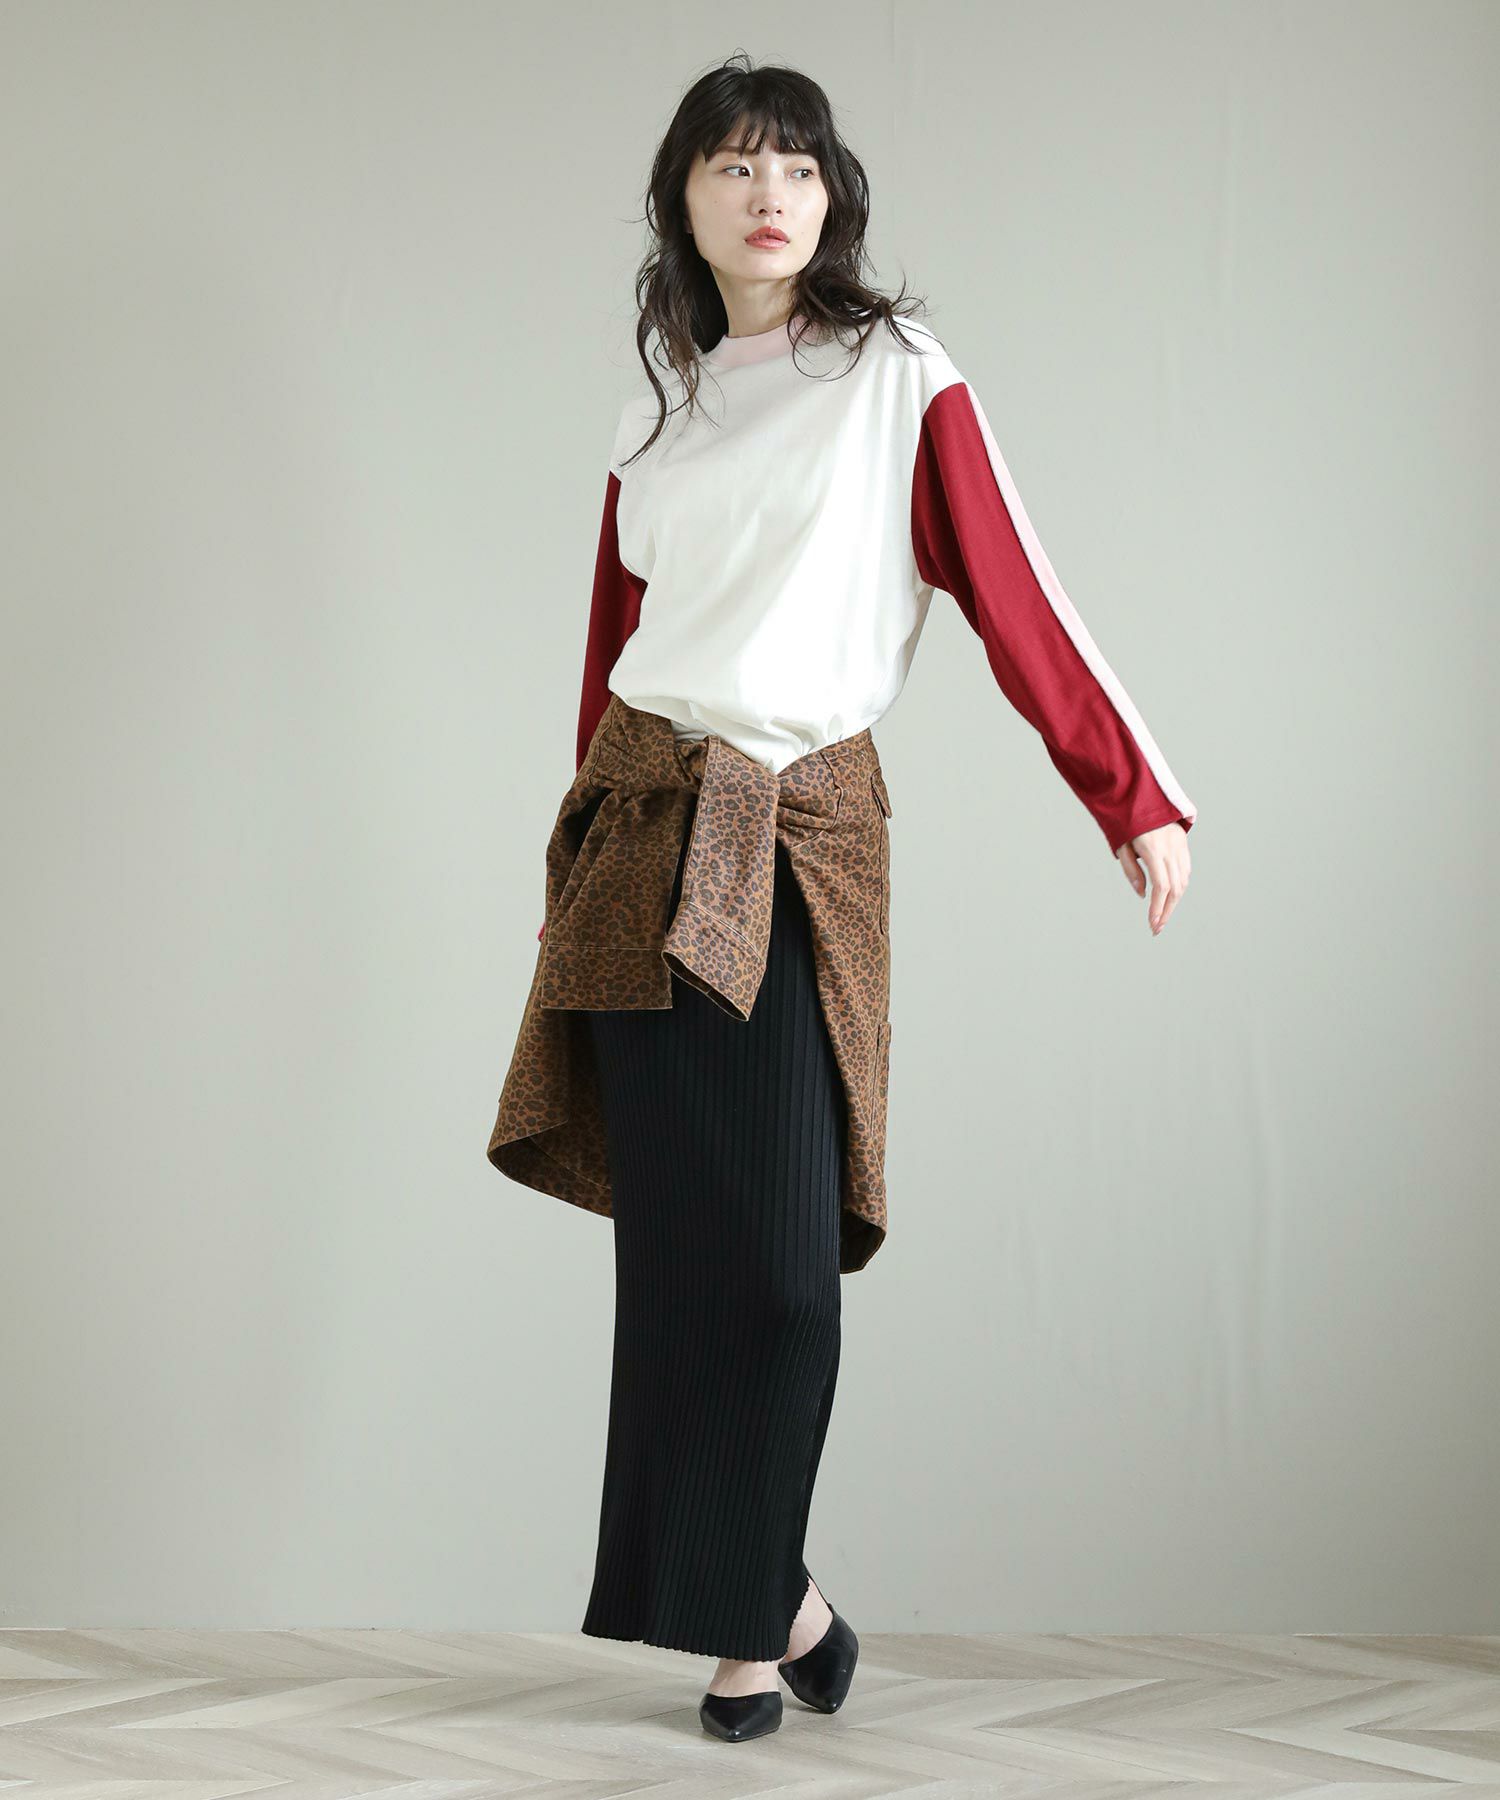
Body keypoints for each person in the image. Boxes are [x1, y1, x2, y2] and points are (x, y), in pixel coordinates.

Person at [486, 53, 1196, 1744]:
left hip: (802, 837)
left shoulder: (896, 378)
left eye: (796, 165)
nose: (769, 193)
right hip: (642, 839)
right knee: (682, 1265)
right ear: (683, 202)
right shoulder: (656, 416)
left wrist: (1132, 793)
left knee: (790, 1273)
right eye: (735, 165)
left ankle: (768, 1592)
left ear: (832, 198)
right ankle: (759, 1620)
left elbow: (1016, 591)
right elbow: (610, 662)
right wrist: (565, 868)